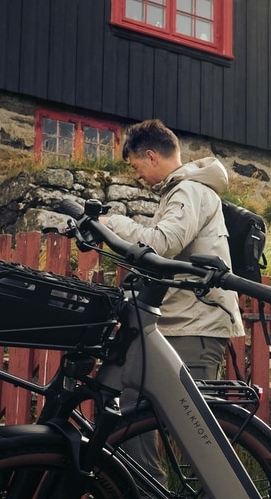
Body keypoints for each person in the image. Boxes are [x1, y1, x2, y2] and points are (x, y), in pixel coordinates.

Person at [100, 118, 243, 384]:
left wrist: (113, 224)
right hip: (181, 321)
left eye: (136, 165)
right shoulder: (180, 192)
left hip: (194, 326)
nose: (137, 175)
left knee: (187, 423)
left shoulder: (189, 191)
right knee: (142, 411)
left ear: (151, 157)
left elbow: (162, 244)